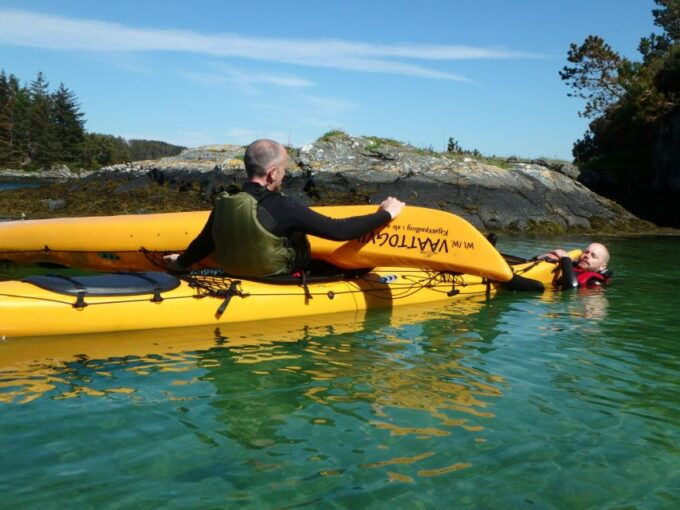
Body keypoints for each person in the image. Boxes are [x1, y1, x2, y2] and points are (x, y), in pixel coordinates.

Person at [164, 139, 405, 276]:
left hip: (236, 277)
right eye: (284, 169)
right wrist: (386, 214)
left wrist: (181, 264)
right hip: (280, 282)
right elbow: (338, 231)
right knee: (359, 269)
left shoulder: (225, 202)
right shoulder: (284, 206)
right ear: (272, 172)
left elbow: (204, 242)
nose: (284, 174)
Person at [538, 242, 611, 288]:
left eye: (593, 256)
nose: (587, 256)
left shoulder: (594, 282)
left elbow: (572, 286)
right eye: (586, 252)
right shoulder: (571, 264)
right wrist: (543, 257)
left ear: (602, 266)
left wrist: (565, 258)